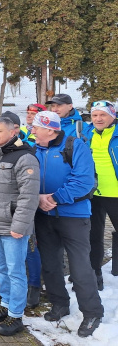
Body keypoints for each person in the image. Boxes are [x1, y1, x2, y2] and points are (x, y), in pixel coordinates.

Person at [32, 110, 103, 337]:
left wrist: (53, 198)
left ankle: (92, 312)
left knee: (80, 266)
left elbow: (83, 181)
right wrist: (38, 198)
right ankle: (59, 303)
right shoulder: (32, 148)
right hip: (43, 216)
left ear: (51, 131)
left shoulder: (75, 146)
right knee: (51, 264)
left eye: (36, 127)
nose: (31, 130)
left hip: (73, 216)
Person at [0, 117, 40, 336]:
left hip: (13, 227)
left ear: (14, 132)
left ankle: (16, 315)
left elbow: (28, 196)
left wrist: (20, 225)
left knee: (15, 271)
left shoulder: (25, 158)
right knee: (1, 268)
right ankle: (6, 304)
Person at [84, 101, 118, 284]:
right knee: (94, 235)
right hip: (93, 193)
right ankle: (95, 274)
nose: (98, 119)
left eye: (102, 115)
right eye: (95, 115)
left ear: (112, 116)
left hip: (116, 193)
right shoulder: (86, 133)